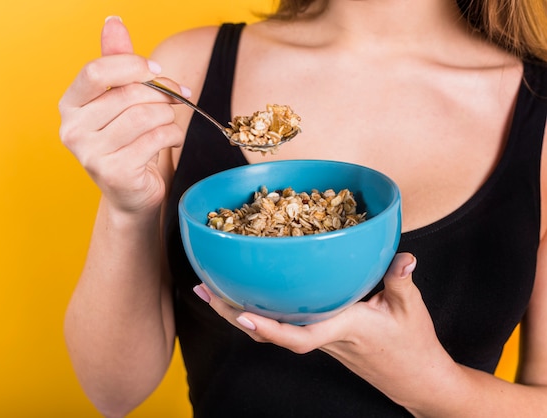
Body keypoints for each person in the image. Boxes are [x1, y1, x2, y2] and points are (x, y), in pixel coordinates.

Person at [58, 0, 547, 416]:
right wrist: (128, 209)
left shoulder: (537, 109)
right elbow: (114, 393)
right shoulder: (187, 71)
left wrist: (432, 386)